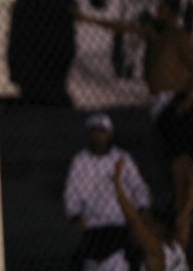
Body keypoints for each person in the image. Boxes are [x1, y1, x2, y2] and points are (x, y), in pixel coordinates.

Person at [74, 0, 193, 211]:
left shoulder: (179, 38)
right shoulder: (154, 34)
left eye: (161, 10)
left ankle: (182, 204)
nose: (156, 13)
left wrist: (187, 100)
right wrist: (88, 19)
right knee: (170, 154)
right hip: (160, 103)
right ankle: (179, 202)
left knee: (179, 157)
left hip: (174, 102)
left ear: (171, 14)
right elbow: (125, 27)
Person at [64, 113, 151, 270]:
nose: (98, 136)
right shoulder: (80, 160)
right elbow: (71, 191)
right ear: (89, 134)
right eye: (94, 132)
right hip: (93, 223)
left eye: (102, 132)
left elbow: (138, 186)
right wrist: (74, 215)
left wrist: (142, 207)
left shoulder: (122, 157)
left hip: (121, 223)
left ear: (109, 133)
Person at [112, 159, 192, 271]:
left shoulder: (159, 252)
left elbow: (134, 222)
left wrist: (116, 184)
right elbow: (186, 212)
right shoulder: (176, 245)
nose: (146, 224)